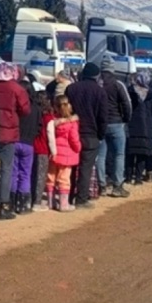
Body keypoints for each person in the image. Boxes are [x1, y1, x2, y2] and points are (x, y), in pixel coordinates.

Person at [0, 63, 31, 219]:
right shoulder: (17, 89)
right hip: (8, 133)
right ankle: (3, 206)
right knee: (6, 170)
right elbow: (25, 110)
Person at [65, 62, 108, 209]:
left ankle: (67, 196)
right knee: (85, 168)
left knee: (71, 166)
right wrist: (100, 135)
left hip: (72, 132)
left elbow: (65, 110)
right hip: (91, 135)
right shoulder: (100, 92)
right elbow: (103, 117)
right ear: (96, 76)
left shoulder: (71, 88)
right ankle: (81, 199)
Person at [96, 56, 132, 198]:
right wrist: (126, 119)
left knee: (101, 156)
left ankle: (101, 186)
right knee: (119, 154)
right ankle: (117, 186)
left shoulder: (98, 84)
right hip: (117, 122)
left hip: (101, 124)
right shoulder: (118, 84)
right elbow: (127, 103)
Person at [45, 95, 82, 212]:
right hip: (67, 154)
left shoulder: (53, 121)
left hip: (54, 152)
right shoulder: (72, 123)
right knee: (64, 179)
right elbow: (74, 139)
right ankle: (63, 204)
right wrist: (78, 148)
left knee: (51, 177)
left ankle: (50, 202)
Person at [11, 80, 42, 213]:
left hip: (14, 141)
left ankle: (11, 203)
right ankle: (23, 205)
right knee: (25, 174)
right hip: (28, 143)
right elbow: (39, 127)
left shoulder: (15, 106)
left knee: (13, 173)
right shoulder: (36, 108)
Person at [125, 72, 152, 186]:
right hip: (146, 127)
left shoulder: (130, 92)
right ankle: (138, 178)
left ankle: (128, 177)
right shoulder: (151, 94)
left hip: (132, 126)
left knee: (130, 153)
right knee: (142, 154)